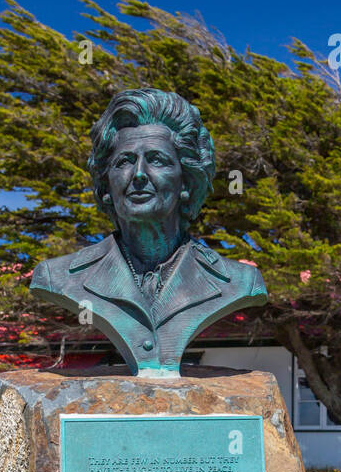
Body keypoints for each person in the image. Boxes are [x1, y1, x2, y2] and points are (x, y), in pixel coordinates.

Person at [31, 88, 267, 377]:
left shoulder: (240, 282)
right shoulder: (58, 277)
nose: (139, 174)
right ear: (106, 187)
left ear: (186, 183)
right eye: (124, 161)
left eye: (157, 160)